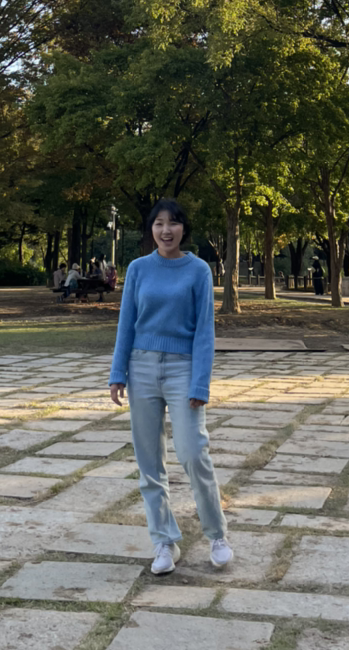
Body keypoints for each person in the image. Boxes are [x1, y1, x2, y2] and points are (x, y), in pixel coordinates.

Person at [109, 199, 232, 577]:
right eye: (159, 223)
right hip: (141, 368)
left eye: (173, 223)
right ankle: (164, 540)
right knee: (149, 462)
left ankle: (217, 535)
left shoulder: (198, 270)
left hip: (183, 370)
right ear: (151, 229)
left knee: (194, 453)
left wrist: (200, 383)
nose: (166, 230)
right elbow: (127, 323)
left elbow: (205, 331)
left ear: (183, 229)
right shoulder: (138, 269)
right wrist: (117, 372)